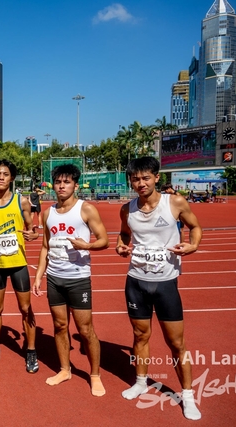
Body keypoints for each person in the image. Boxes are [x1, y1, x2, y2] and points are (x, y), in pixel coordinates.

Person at [116, 156, 202, 421]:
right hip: (136, 281)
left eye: (146, 178)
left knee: (176, 343)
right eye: (135, 179)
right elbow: (124, 234)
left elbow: (195, 227)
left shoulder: (174, 202)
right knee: (140, 336)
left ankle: (188, 395)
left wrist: (193, 245)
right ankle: (141, 382)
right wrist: (121, 245)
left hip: (165, 283)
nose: (141, 183)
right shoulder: (127, 209)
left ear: (156, 177)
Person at [32, 164, 108, 396]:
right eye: (58, 182)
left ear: (75, 185)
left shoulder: (86, 209)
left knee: (85, 329)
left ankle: (94, 375)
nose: (62, 186)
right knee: (60, 326)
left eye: (67, 182)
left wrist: (87, 246)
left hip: (78, 279)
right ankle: (65, 369)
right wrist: (39, 276)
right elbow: (45, 246)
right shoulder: (48, 214)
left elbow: (104, 239)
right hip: (55, 279)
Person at [0, 159, 39, 372]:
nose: (1, 177)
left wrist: (32, 235)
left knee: (25, 309)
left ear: (11, 178)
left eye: (5, 174)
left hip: (18, 264)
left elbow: (32, 229)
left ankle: (31, 351)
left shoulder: (21, 202)